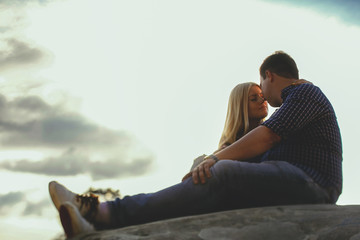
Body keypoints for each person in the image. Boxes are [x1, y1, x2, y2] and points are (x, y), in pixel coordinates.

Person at [49, 51, 342, 238]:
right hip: (300, 180)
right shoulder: (296, 104)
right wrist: (205, 162)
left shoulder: (303, 93)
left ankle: (106, 213)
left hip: (315, 183)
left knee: (223, 172)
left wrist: (215, 161)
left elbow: (267, 136)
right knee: (215, 179)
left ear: (269, 76)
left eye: (261, 87)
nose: (264, 95)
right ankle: (107, 217)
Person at [190, 82, 268, 170]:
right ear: (240, 106)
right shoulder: (226, 149)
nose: (263, 100)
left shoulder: (273, 131)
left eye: (262, 96)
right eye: (254, 99)